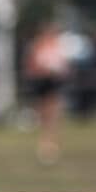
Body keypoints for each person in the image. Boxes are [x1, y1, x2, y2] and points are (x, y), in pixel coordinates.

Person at [24, 21, 70, 164]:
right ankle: (45, 143)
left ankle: (52, 143)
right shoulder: (38, 45)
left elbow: (65, 67)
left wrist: (58, 72)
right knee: (43, 115)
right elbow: (31, 67)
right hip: (41, 83)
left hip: (54, 83)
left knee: (53, 113)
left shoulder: (57, 46)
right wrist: (42, 71)